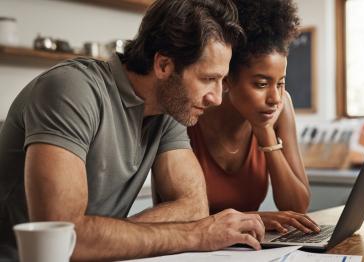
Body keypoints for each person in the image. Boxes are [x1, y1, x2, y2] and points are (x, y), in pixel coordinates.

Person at [0, 1, 266, 261]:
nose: (217, 98)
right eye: (208, 79)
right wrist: (197, 235)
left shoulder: (169, 109)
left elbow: (194, 207)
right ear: (163, 65)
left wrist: (105, 237)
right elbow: (63, 237)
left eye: (222, 80)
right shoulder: (71, 90)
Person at [187, 0, 320, 234]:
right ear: (227, 78)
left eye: (280, 83)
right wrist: (255, 218)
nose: (275, 97)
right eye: (261, 84)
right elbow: (177, 216)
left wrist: (265, 132)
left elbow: (298, 206)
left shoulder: (280, 107)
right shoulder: (190, 112)